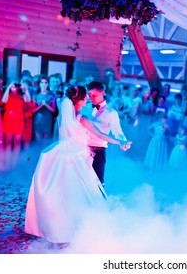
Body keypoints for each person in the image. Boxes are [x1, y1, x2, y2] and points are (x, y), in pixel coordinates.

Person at [24, 86, 130, 244]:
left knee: (63, 193)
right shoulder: (82, 117)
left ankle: (58, 227)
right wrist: (120, 142)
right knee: (81, 193)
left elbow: (103, 133)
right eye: (86, 97)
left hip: (64, 154)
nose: (88, 98)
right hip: (78, 157)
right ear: (79, 100)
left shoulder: (67, 116)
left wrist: (120, 138)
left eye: (91, 95)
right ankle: (78, 227)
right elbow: (100, 134)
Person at [82, 81, 129, 186]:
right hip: (81, 149)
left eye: (95, 95)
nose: (92, 98)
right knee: (82, 183)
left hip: (98, 151)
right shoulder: (85, 107)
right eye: (90, 95)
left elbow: (117, 131)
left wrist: (122, 141)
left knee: (98, 183)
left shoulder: (111, 112)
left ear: (102, 93)